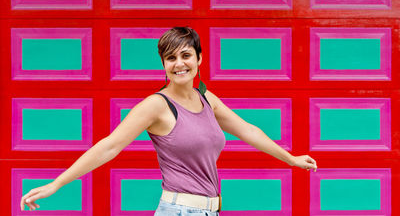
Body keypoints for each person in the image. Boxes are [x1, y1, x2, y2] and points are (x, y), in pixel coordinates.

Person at [20, 27, 317, 215]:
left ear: (199, 58)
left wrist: (289, 158)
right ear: (163, 64)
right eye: (170, 58)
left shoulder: (205, 97)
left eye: (186, 55)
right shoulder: (156, 105)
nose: (179, 64)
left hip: (211, 210)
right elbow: (109, 146)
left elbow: (246, 130)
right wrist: (56, 185)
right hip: (180, 211)